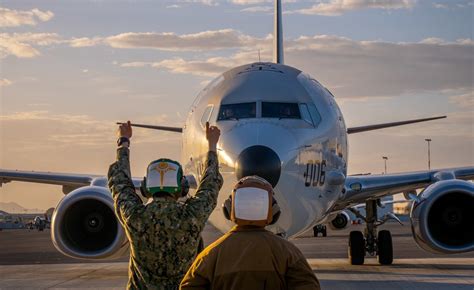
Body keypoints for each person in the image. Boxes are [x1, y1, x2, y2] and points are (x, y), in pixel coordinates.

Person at [108, 121, 223, 290]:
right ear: (182, 188)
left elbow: (119, 184)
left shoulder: (135, 216)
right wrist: (211, 145)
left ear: (147, 188)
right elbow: (210, 183)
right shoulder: (191, 217)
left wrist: (123, 142)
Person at [180, 176, 320, 290]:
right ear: (273, 211)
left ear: (229, 209)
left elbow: (189, 286)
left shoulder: (211, 255)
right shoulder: (288, 253)